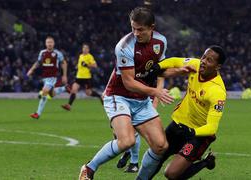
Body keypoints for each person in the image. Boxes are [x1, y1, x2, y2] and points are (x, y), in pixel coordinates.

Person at [78, 7, 175, 180]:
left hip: (141, 99)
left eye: (140, 29)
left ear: (151, 27)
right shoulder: (124, 46)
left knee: (161, 145)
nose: (136, 33)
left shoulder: (161, 42)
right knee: (127, 141)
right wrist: (156, 92)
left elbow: (158, 70)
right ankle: (89, 169)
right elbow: (128, 82)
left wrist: (183, 71)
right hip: (118, 96)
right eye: (133, 28)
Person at [136, 45, 227, 180]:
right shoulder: (195, 65)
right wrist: (159, 67)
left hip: (198, 135)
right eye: (204, 57)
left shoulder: (217, 92)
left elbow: (212, 127)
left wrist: (193, 133)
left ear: (217, 66)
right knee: (157, 158)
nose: (203, 61)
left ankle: (206, 162)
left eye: (209, 60)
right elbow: (174, 61)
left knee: (171, 174)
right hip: (178, 124)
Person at [27, 36, 69, 119]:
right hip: (45, 77)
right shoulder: (42, 53)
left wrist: (64, 75)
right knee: (52, 94)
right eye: (48, 42)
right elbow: (38, 62)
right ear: (45, 44)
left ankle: (37, 113)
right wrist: (31, 69)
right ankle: (64, 88)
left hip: (52, 77)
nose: (49, 44)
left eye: (51, 42)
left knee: (44, 91)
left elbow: (64, 63)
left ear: (54, 44)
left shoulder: (57, 53)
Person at [61, 43, 102, 111]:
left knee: (88, 93)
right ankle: (69, 105)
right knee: (73, 90)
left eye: (86, 48)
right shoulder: (80, 56)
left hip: (86, 77)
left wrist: (86, 65)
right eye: (84, 48)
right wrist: (77, 67)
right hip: (79, 76)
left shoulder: (90, 56)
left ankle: (100, 96)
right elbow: (80, 65)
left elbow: (95, 65)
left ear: (88, 50)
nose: (85, 49)